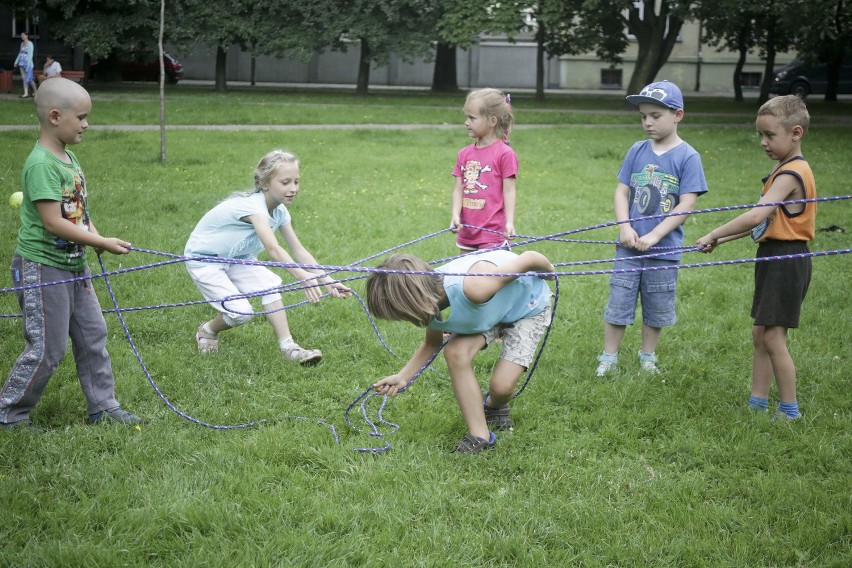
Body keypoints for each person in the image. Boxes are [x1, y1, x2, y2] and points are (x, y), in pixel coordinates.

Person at [0, 78, 142, 430]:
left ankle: (103, 407)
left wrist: (97, 239)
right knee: (48, 348)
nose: (86, 124)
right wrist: (100, 242)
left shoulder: (69, 157)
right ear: (54, 116)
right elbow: (53, 222)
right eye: (80, 117)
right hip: (42, 267)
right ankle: (9, 412)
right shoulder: (41, 164)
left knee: (93, 334)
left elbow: (78, 213)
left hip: (73, 266)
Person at [696, 95, 815, 421]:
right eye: (760, 135)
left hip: (786, 260)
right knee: (760, 334)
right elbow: (765, 223)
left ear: (795, 133)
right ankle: (758, 401)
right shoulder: (782, 168)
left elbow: (754, 216)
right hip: (774, 256)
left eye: (770, 135)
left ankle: (790, 410)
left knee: (774, 338)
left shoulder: (792, 173)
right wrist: (721, 241)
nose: (763, 142)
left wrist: (713, 232)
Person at [367, 249, 555, 454]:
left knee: (502, 389)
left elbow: (530, 258)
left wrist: (549, 271)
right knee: (455, 351)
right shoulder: (429, 297)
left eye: (401, 315)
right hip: (489, 313)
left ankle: (494, 405)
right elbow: (432, 344)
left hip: (527, 307)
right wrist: (402, 377)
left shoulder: (474, 287)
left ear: (412, 303)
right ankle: (480, 436)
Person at [185, 149, 351, 364]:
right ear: (265, 184)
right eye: (285, 182)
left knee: (270, 284)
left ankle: (289, 348)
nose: (293, 189)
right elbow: (273, 249)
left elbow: (298, 250)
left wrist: (328, 281)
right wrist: (303, 277)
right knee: (241, 313)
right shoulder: (254, 207)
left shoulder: (280, 211)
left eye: (296, 182)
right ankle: (207, 331)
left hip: (239, 258)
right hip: (205, 260)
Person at [596, 80, 708, 377]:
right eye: (643, 116)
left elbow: (686, 203)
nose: (647, 122)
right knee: (619, 300)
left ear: (677, 115)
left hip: (664, 251)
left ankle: (648, 356)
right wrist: (625, 228)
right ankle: (608, 357)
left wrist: (656, 235)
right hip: (629, 248)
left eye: (655, 116)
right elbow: (622, 192)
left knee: (657, 305)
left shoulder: (688, 157)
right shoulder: (637, 150)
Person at [450, 88, 518, 253]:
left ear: (492, 121)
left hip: (493, 235)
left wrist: (509, 223)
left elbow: (509, 191)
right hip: (467, 234)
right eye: (467, 117)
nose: (466, 122)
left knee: (490, 277)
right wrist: (455, 215)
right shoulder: (464, 154)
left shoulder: (505, 154)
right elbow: (458, 188)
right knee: (467, 277)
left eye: (472, 118)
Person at [13, 31, 37, 98]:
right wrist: (16, 62)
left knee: (30, 79)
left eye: (23, 35)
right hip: (21, 63)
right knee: (24, 78)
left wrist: (28, 66)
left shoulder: (30, 44)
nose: (21, 36)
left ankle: (36, 91)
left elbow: (30, 55)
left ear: (27, 36)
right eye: (21, 35)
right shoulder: (22, 44)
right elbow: (20, 53)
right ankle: (25, 93)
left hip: (28, 65)